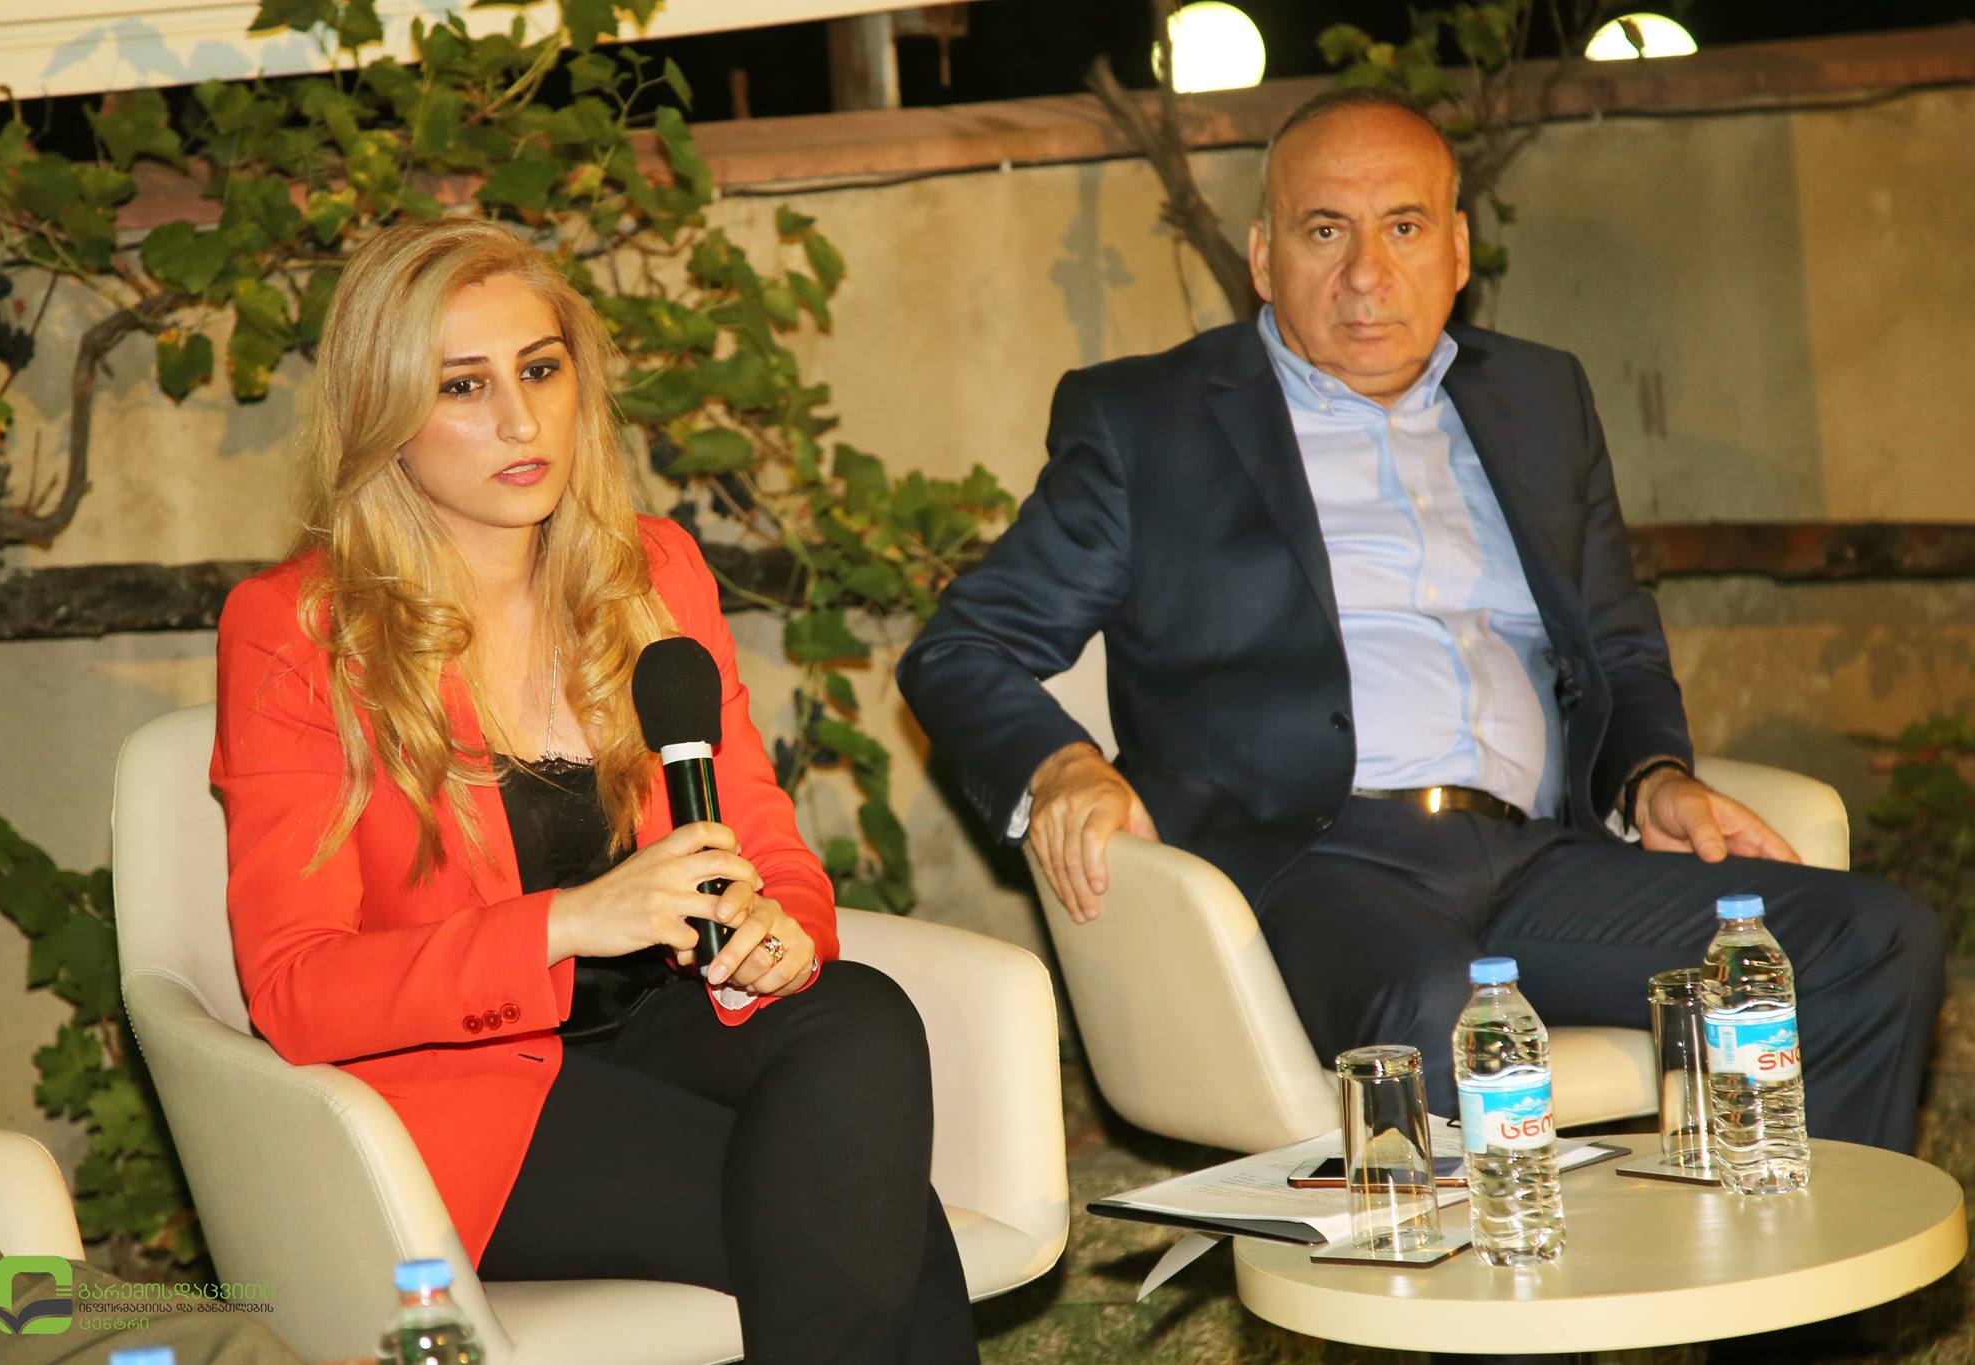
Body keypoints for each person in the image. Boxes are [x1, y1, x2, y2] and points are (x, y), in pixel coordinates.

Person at [898, 87, 1943, 1156]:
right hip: (1314, 865)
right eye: (1324, 231)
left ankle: (1806, 1269)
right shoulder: (1151, 424)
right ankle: (1509, 1275)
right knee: (1439, 1008)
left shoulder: (1538, 397)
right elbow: (963, 648)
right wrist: (1062, 765)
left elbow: (1615, 642)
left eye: (1401, 227)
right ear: (1262, 257)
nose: (1364, 274)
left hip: (1538, 857)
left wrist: (1651, 776)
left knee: (1867, 940)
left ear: (1456, 249)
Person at [212, 218, 977, 1364]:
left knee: (859, 1012)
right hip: (467, 1096)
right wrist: (569, 922)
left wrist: (781, 926)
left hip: (666, 1024)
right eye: (461, 386)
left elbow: (761, 839)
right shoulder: (299, 630)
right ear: (383, 414)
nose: (520, 421)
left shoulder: (650, 571)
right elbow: (296, 989)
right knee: (882, 1226)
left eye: (539, 369)